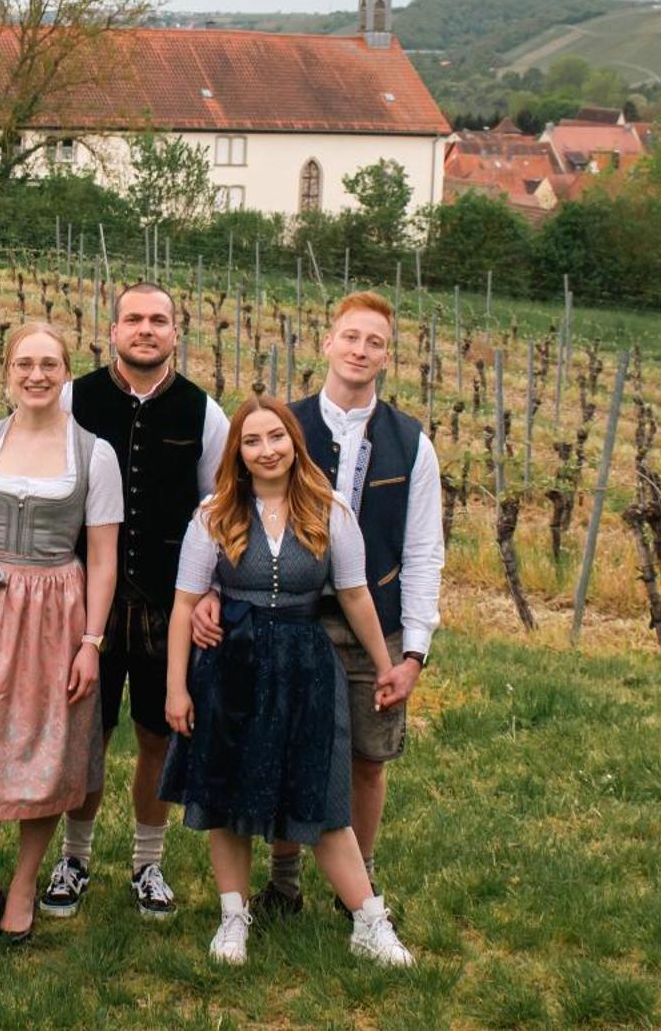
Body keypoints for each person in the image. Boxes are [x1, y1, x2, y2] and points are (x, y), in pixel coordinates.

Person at [193, 290, 442, 916]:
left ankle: (357, 883)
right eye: (350, 337)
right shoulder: (282, 425)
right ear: (327, 343)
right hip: (278, 620)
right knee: (277, 748)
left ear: (388, 356)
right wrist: (211, 595)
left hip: (370, 622)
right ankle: (283, 881)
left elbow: (423, 552)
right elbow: (226, 513)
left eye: (375, 342)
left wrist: (411, 651)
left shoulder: (411, 443)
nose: (360, 350)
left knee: (365, 758)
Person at [160, 395, 416, 967]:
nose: (266, 449)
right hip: (231, 665)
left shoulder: (329, 511)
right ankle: (233, 918)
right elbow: (182, 605)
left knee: (320, 793)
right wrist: (176, 688)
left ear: (293, 443)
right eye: (252, 441)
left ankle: (369, 923)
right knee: (225, 793)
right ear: (239, 452)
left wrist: (384, 666)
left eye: (275, 437)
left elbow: (354, 594)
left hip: (305, 667)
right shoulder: (214, 513)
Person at [0, 322, 122, 944]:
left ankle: (23, 884)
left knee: (46, 747)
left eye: (48, 364)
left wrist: (91, 642)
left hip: (54, 616)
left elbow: (104, 558)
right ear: (6, 373)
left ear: (66, 373)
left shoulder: (94, 454)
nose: (36, 375)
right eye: (23, 364)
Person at [46, 282, 227, 921]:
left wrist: (208, 591)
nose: (145, 330)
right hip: (82, 602)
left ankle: (148, 863)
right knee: (85, 736)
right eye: (133, 319)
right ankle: (75, 857)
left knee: (158, 735)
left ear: (176, 333)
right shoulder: (74, 399)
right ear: (113, 330)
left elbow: (218, 509)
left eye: (158, 320)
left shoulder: (205, 413)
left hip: (166, 605)